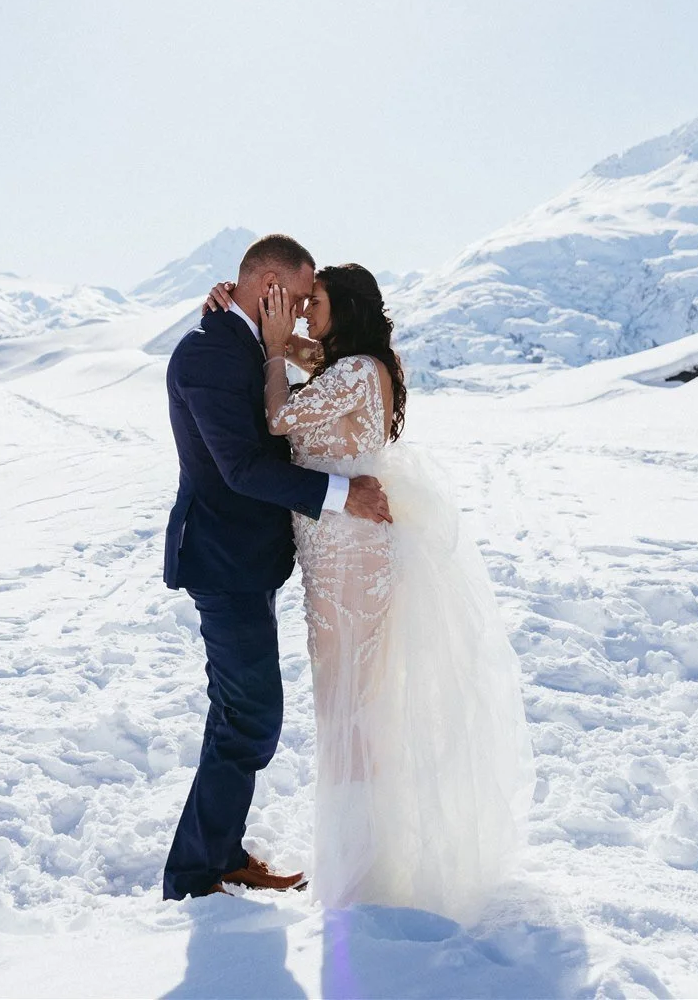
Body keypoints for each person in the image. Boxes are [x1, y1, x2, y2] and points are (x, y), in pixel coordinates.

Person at [214, 262, 533, 925]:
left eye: (317, 302)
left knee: (352, 707)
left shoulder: (357, 371)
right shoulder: (352, 364)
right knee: (348, 705)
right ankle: (357, 860)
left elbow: (279, 417)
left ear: (349, 307)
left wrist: (274, 350)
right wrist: (251, 318)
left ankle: (362, 875)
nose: (306, 316)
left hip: (352, 557)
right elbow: (299, 352)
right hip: (336, 555)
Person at [160, 234, 393, 902]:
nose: (298, 313)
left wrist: (276, 342)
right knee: (252, 718)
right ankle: (195, 874)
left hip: (251, 559)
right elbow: (239, 466)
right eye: (296, 295)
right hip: (223, 560)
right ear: (268, 286)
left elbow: (328, 365)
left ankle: (216, 854)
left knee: (236, 711)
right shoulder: (210, 352)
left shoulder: (245, 342)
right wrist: (344, 495)